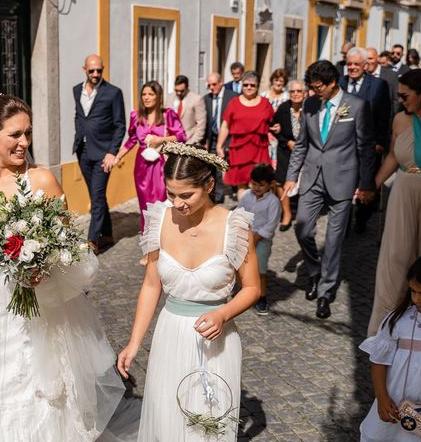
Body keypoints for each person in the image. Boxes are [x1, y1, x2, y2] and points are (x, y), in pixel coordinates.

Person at [0, 94, 130, 441]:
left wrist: (43, 266)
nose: (24, 142)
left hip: (31, 304)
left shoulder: (41, 180)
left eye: (27, 133)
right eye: (15, 135)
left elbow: (71, 246)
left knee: (31, 387)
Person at [117, 142, 260, 442]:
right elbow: (151, 285)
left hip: (216, 341)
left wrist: (223, 313)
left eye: (186, 195)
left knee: (209, 425)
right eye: (171, 193)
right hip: (169, 335)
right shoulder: (160, 220)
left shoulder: (234, 226)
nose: (177, 203)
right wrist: (133, 342)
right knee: (168, 420)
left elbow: (252, 288)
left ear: (209, 185)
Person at [283, 60, 376, 319]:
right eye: (311, 87)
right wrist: (292, 176)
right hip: (312, 177)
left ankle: (325, 290)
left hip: (343, 180)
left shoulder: (356, 106)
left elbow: (366, 147)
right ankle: (314, 271)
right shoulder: (311, 104)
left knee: (334, 240)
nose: (314, 93)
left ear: (332, 84)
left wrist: (367, 183)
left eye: (317, 87)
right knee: (302, 227)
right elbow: (302, 144)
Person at [367, 69, 421, 335]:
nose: (400, 100)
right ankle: (386, 325)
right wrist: (372, 185)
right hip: (403, 194)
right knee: (396, 256)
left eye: (404, 95)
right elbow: (392, 158)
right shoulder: (400, 120)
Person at [359, 253, 421, 442]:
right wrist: (382, 397)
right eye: (413, 291)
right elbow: (379, 361)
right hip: (394, 405)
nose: (417, 299)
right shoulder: (398, 321)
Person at [113, 81, 187, 231]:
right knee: (145, 202)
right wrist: (118, 156)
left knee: (162, 199)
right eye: (144, 94)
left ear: (158, 96)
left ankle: (164, 233)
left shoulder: (168, 114)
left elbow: (181, 136)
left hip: (161, 163)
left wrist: (161, 139)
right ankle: (147, 236)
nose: (146, 98)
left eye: (150, 94)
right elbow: (132, 139)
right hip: (142, 166)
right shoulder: (136, 115)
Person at [73, 54, 126, 253]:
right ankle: (108, 235)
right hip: (83, 151)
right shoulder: (77, 90)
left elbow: (120, 125)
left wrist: (112, 153)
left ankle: (92, 241)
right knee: (97, 194)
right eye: (91, 70)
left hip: (103, 155)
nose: (95, 74)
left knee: (96, 197)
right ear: (84, 69)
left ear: (103, 69)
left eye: (99, 70)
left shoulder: (113, 93)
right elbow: (79, 116)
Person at [339, 47, 392, 234]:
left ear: (365, 65)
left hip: (369, 146)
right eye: (349, 64)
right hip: (344, 146)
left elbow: (384, 116)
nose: (352, 67)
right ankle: (343, 226)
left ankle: (361, 219)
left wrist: (381, 142)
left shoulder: (378, 86)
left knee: (367, 186)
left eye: (356, 64)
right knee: (343, 187)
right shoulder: (340, 83)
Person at [217, 70, 274, 200]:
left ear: (258, 86)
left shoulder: (265, 103)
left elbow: (273, 124)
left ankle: (261, 214)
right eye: (246, 85)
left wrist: (278, 128)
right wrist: (219, 145)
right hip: (240, 149)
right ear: (242, 85)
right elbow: (225, 125)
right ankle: (244, 215)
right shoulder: (234, 102)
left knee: (261, 183)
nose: (249, 87)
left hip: (259, 148)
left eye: (252, 85)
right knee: (241, 184)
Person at [237, 163, 281, 315]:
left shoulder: (273, 202)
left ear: (270, 185)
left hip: (262, 240)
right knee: (241, 265)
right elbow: (239, 213)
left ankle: (262, 297)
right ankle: (244, 291)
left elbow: (271, 224)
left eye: (261, 185)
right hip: (244, 236)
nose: (256, 188)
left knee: (260, 270)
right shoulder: (246, 196)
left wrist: (255, 238)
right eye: (254, 184)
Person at [272, 80, 307, 231]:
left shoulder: (310, 107)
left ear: (305, 93)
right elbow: (273, 128)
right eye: (293, 91)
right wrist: (287, 142)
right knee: (280, 181)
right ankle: (286, 214)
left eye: (299, 91)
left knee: (306, 182)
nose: (296, 94)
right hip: (286, 151)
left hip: (308, 152)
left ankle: (304, 214)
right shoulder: (283, 108)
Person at [203, 73, 237, 203]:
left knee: (231, 165)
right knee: (214, 166)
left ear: (221, 83)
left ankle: (235, 190)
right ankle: (218, 196)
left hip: (230, 137)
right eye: (209, 85)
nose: (211, 87)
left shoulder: (232, 97)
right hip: (213, 139)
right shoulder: (206, 99)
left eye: (214, 84)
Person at [165, 74, 206, 145]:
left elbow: (201, 123)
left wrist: (193, 141)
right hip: (171, 142)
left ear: (187, 88)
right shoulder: (170, 97)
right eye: (176, 90)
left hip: (189, 141)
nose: (178, 93)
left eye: (181, 91)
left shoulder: (197, 99)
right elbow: (165, 118)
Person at [367, 47, 400, 120]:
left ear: (377, 58)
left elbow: (396, 100)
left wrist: (393, 120)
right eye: (365, 59)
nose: (368, 62)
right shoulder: (362, 76)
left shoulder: (391, 75)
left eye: (370, 58)